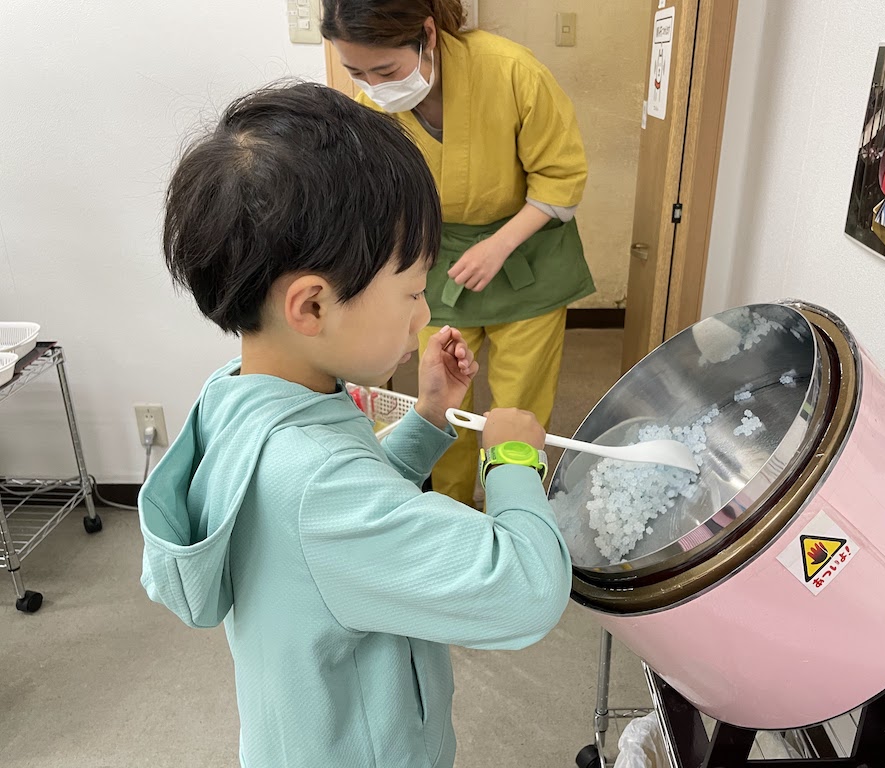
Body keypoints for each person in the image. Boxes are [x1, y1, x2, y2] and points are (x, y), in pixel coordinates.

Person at [138, 82, 571, 768]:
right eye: (410, 290)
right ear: (312, 306)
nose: (423, 314)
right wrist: (514, 457)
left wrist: (428, 418)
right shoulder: (316, 485)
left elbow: (338, 506)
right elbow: (527, 591)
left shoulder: (241, 395)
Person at [322, 0, 595, 506]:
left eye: (385, 69)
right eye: (356, 72)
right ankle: (449, 511)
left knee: (519, 405)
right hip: (437, 260)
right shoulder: (369, 108)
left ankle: (517, 519)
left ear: (427, 34)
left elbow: (562, 176)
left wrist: (498, 244)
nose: (375, 87)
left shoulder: (511, 71)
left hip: (528, 254)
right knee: (443, 402)